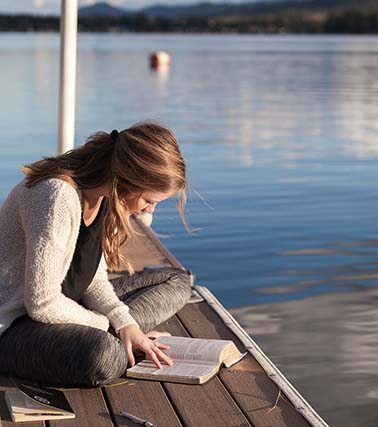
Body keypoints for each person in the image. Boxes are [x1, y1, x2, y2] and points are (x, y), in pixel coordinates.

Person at [0, 122, 192, 387]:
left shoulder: (103, 196)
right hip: (14, 326)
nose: (149, 211)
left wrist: (126, 324)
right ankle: (118, 342)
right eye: (149, 201)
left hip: (67, 309)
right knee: (104, 356)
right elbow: (41, 303)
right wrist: (106, 325)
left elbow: (93, 278)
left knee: (177, 280)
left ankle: (127, 338)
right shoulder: (56, 197)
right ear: (126, 180)